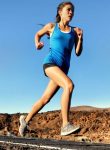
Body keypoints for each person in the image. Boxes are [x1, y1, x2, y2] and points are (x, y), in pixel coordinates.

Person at [19, 1, 83, 136]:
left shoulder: (74, 31)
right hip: (50, 63)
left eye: (73, 11)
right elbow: (37, 34)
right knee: (69, 85)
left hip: (62, 70)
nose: (71, 13)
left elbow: (77, 52)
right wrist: (37, 43)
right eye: (69, 10)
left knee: (45, 99)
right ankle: (65, 125)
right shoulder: (52, 27)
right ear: (60, 12)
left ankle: (25, 120)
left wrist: (80, 38)